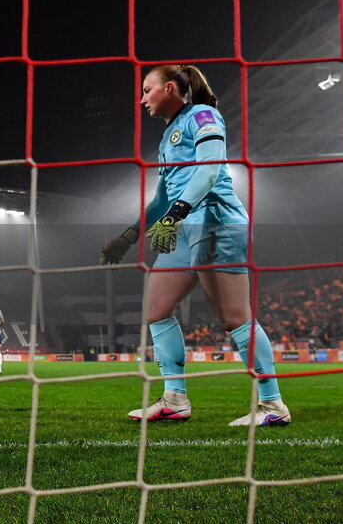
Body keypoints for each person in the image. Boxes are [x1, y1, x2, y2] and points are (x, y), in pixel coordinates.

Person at [100, 64, 290, 427]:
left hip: (215, 220)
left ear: (170, 88)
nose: (142, 99)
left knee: (234, 317)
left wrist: (175, 215)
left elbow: (209, 170)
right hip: (183, 225)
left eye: (147, 90)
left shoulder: (203, 115)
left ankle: (272, 405)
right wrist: (129, 237)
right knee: (157, 308)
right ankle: (174, 399)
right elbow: (160, 200)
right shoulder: (167, 136)